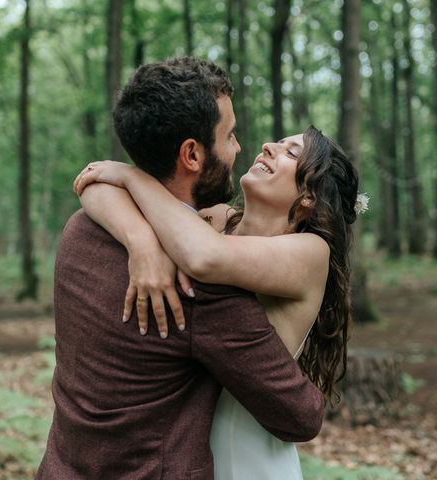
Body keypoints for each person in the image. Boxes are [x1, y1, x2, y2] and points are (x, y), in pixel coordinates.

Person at [35, 57, 325, 480]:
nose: (241, 148)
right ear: (192, 154)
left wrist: (134, 205)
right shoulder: (201, 289)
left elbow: (94, 188)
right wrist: (139, 238)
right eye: (229, 136)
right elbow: (300, 417)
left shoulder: (80, 231)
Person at [74, 125, 360, 479]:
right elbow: (94, 187)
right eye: (278, 143)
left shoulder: (310, 252)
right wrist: (139, 240)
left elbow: (204, 257)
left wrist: (132, 177)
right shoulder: (219, 219)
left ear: (309, 198)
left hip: (247, 451)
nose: (269, 146)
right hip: (187, 441)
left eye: (291, 153)